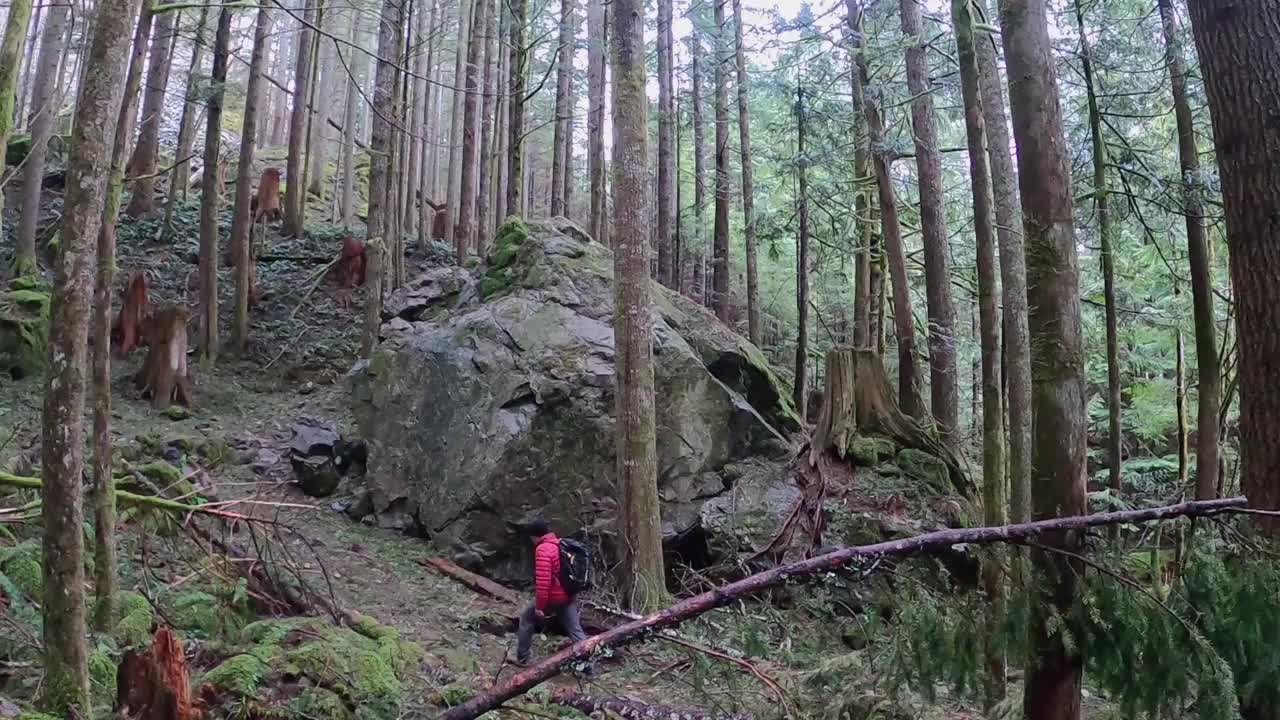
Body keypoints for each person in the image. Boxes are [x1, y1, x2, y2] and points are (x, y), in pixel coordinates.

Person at [514, 519, 589, 667]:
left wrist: (540, 607)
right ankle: (587, 666)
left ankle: (522, 659)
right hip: (568, 594)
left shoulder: (543, 550)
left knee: (526, 619)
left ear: (534, 536)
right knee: (576, 631)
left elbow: (544, 583)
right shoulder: (560, 544)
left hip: (554, 597)